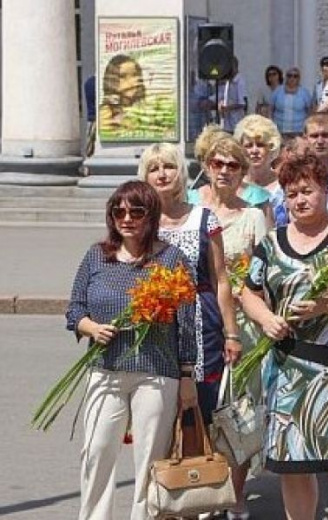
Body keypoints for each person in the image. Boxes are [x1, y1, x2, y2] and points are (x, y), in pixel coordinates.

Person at [240, 153, 328, 520]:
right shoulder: (271, 243)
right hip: (286, 371)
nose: (299, 200)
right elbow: (248, 291)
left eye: (307, 190)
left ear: (325, 189)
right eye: (291, 193)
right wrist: (267, 318)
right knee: (293, 467)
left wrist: (326, 305)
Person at [68, 180, 197, 520]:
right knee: (96, 451)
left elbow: (185, 324)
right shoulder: (97, 255)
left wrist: (187, 376)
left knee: (150, 459)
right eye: (118, 211)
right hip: (105, 368)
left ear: (150, 215)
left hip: (156, 371)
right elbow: (75, 309)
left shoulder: (171, 259)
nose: (126, 218)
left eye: (136, 211)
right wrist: (91, 328)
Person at [137, 143, 240, 426]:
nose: (161, 174)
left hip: (201, 323)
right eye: (153, 168)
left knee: (202, 409)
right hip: (154, 324)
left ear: (180, 172)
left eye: (168, 166)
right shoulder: (138, 221)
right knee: (157, 411)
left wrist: (231, 334)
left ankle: (202, 468)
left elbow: (220, 278)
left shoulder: (203, 218)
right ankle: (161, 469)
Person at [195, 134, 268, 518]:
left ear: (244, 173)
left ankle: (236, 495)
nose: (224, 171)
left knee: (239, 412)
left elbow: (264, 272)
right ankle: (205, 490)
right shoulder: (191, 209)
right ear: (206, 166)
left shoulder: (253, 215)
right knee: (203, 409)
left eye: (233, 165)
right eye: (218, 163)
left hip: (243, 324)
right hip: (198, 321)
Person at [234, 114, 284, 227]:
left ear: (271, 147)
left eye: (260, 145)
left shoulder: (283, 185)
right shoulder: (234, 186)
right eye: (248, 145)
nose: (254, 150)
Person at [99, 54, 146, 133]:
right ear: (112, 81)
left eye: (134, 75)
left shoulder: (144, 107)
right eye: (122, 76)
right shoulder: (106, 113)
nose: (131, 81)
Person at [270, 67, 313, 137]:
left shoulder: (305, 93)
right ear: (286, 77)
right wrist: (271, 125)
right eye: (289, 75)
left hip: (299, 132)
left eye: (295, 76)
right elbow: (270, 109)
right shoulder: (277, 91)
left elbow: (310, 111)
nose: (292, 78)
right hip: (279, 131)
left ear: (299, 79)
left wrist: (307, 128)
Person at [217, 56, 249, 132]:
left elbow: (242, 104)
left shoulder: (240, 82)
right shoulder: (227, 82)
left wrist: (228, 107)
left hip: (236, 123)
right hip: (226, 124)